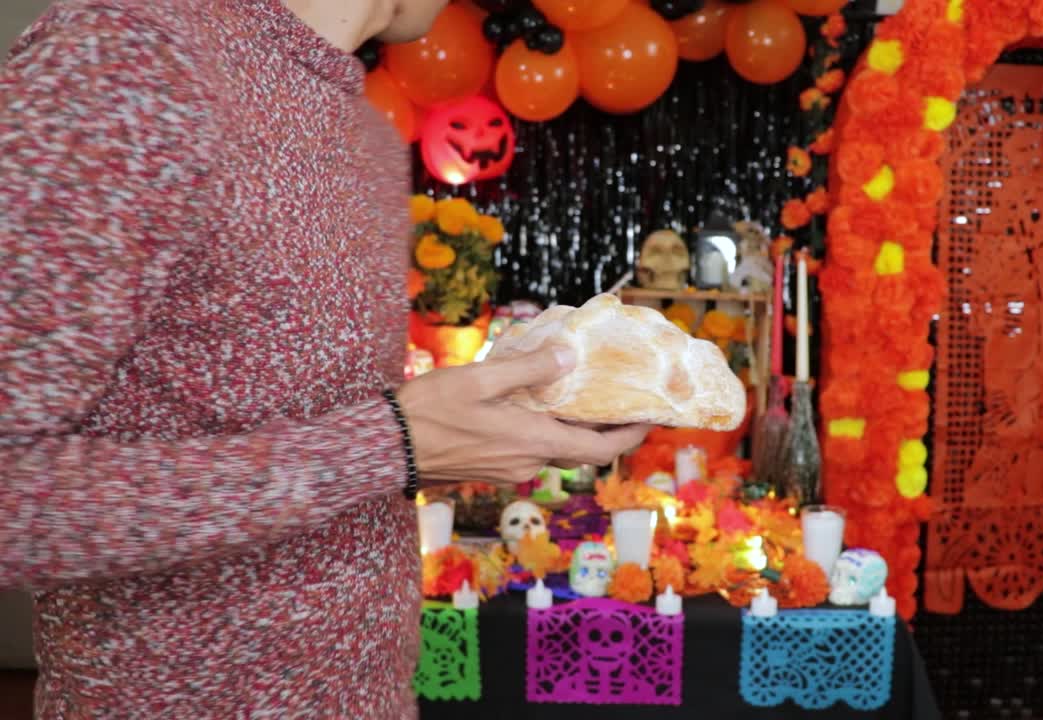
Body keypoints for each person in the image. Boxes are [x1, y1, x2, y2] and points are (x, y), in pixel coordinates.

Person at [0, 0, 649, 716]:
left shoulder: (352, 116)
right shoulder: (130, 57)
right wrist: (389, 444)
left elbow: (298, 437)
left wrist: (441, 442)